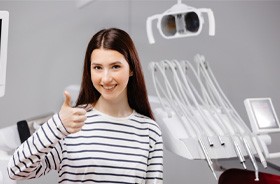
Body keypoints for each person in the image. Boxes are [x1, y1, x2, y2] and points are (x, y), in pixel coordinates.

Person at [7, 28, 163, 184]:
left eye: (115, 66)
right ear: (90, 71)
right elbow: (15, 171)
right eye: (97, 67)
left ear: (131, 69)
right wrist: (58, 125)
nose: (106, 78)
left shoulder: (149, 131)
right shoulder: (70, 123)